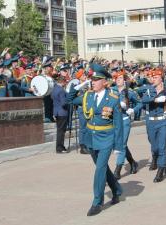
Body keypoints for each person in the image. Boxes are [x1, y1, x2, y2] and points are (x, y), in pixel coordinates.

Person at [67, 63, 123, 216]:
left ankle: (97, 202)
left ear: (105, 82)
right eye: (92, 79)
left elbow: (118, 125)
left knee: (99, 169)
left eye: (97, 79)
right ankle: (117, 190)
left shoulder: (113, 98)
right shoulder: (88, 95)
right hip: (91, 139)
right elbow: (69, 99)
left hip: (106, 138)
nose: (93, 82)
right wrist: (79, 86)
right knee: (103, 168)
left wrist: (119, 146)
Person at [141, 68, 166, 183]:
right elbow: (143, 101)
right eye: (152, 77)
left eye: (155, 77)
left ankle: (160, 171)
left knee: (162, 147)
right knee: (154, 147)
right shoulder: (148, 91)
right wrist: (155, 100)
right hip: (151, 122)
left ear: (161, 78)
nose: (153, 79)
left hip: (163, 122)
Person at [111, 70, 141, 179]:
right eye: (116, 78)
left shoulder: (130, 92)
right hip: (113, 121)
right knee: (119, 143)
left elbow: (140, 103)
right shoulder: (111, 91)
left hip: (124, 120)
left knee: (121, 144)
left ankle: (117, 169)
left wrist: (132, 110)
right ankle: (132, 162)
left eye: (120, 78)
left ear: (124, 80)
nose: (118, 80)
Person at [51, 73, 69, 153]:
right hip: (62, 112)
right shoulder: (61, 90)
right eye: (65, 82)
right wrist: (69, 102)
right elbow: (63, 103)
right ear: (63, 82)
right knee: (61, 131)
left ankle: (61, 146)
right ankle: (60, 148)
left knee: (59, 131)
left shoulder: (54, 89)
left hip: (57, 112)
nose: (65, 84)